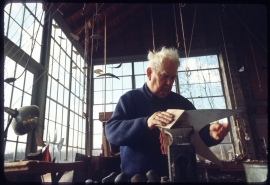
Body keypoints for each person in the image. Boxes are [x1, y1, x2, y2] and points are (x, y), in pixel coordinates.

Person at [105, 47, 230, 179]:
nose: (169, 83)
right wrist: (146, 122)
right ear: (149, 73)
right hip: (135, 178)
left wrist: (211, 134)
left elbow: (197, 136)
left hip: (177, 177)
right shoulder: (129, 100)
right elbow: (111, 132)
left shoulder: (182, 104)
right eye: (164, 76)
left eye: (173, 77)